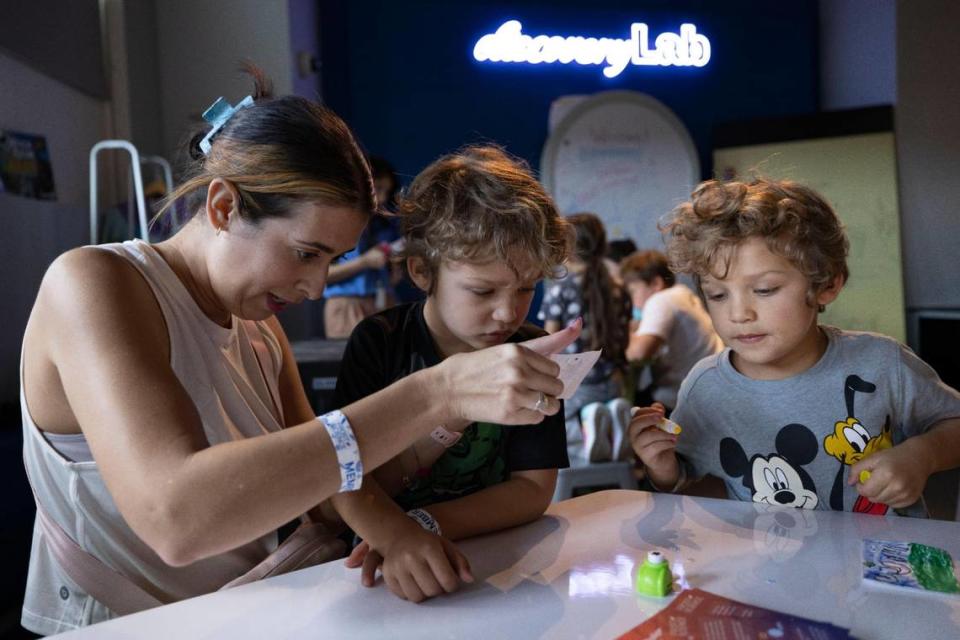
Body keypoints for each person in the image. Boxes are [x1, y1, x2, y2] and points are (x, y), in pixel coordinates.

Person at [19, 71, 577, 634]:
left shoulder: (258, 329)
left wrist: (402, 529)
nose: (317, 287)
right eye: (306, 253)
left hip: (236, 615)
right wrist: (437, 393)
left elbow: (331, 477)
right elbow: (176, 518)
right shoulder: (92, 282)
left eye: (331, 260)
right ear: (222, 207)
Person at [629, 177, 960, 516]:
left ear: (826, 284)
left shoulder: (881, 363)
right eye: (717, 294)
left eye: (765, 289)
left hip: (879, 565)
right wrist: (663, 469)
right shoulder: (705, 387)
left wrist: (922, 455)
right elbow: (691, 486)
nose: (739, 313)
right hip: (769, 567)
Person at [329, 146, 573, 603]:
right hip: (375, 568)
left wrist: (421, 523)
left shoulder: (531, 347)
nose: (508, 311)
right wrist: (394, 535)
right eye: (482, 290)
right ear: (422, 271)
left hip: (498, 562)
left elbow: (533, 489)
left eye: (526, 288)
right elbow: (344, 474)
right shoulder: (379, 342)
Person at [539, 213, 632, 461]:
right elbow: (624, 337)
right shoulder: (619, 288)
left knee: (563, 430)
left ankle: (585, 443)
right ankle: (611, 423)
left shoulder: (560, 290)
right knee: (612, 451)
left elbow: (551, 341)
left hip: (574, 383)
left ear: (566, 247)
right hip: (613, 379)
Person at [620, 250, 723, 412]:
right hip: (710, 388)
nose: (632, 302)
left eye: (632, 292)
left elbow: (638, 353)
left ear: (655, 284)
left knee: (627, 409)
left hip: (681, 397)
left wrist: (619, 329)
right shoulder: (681, 293)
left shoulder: (661, 300)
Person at [321, 156, 403, 338]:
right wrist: (364, 262)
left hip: (384, 303)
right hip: (348, 305)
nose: (381, 199)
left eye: (386, 192)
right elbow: (321, 275)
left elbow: (391, 278)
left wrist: (396, 269)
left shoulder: (383, 226)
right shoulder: (331, 226)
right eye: (378, 189)